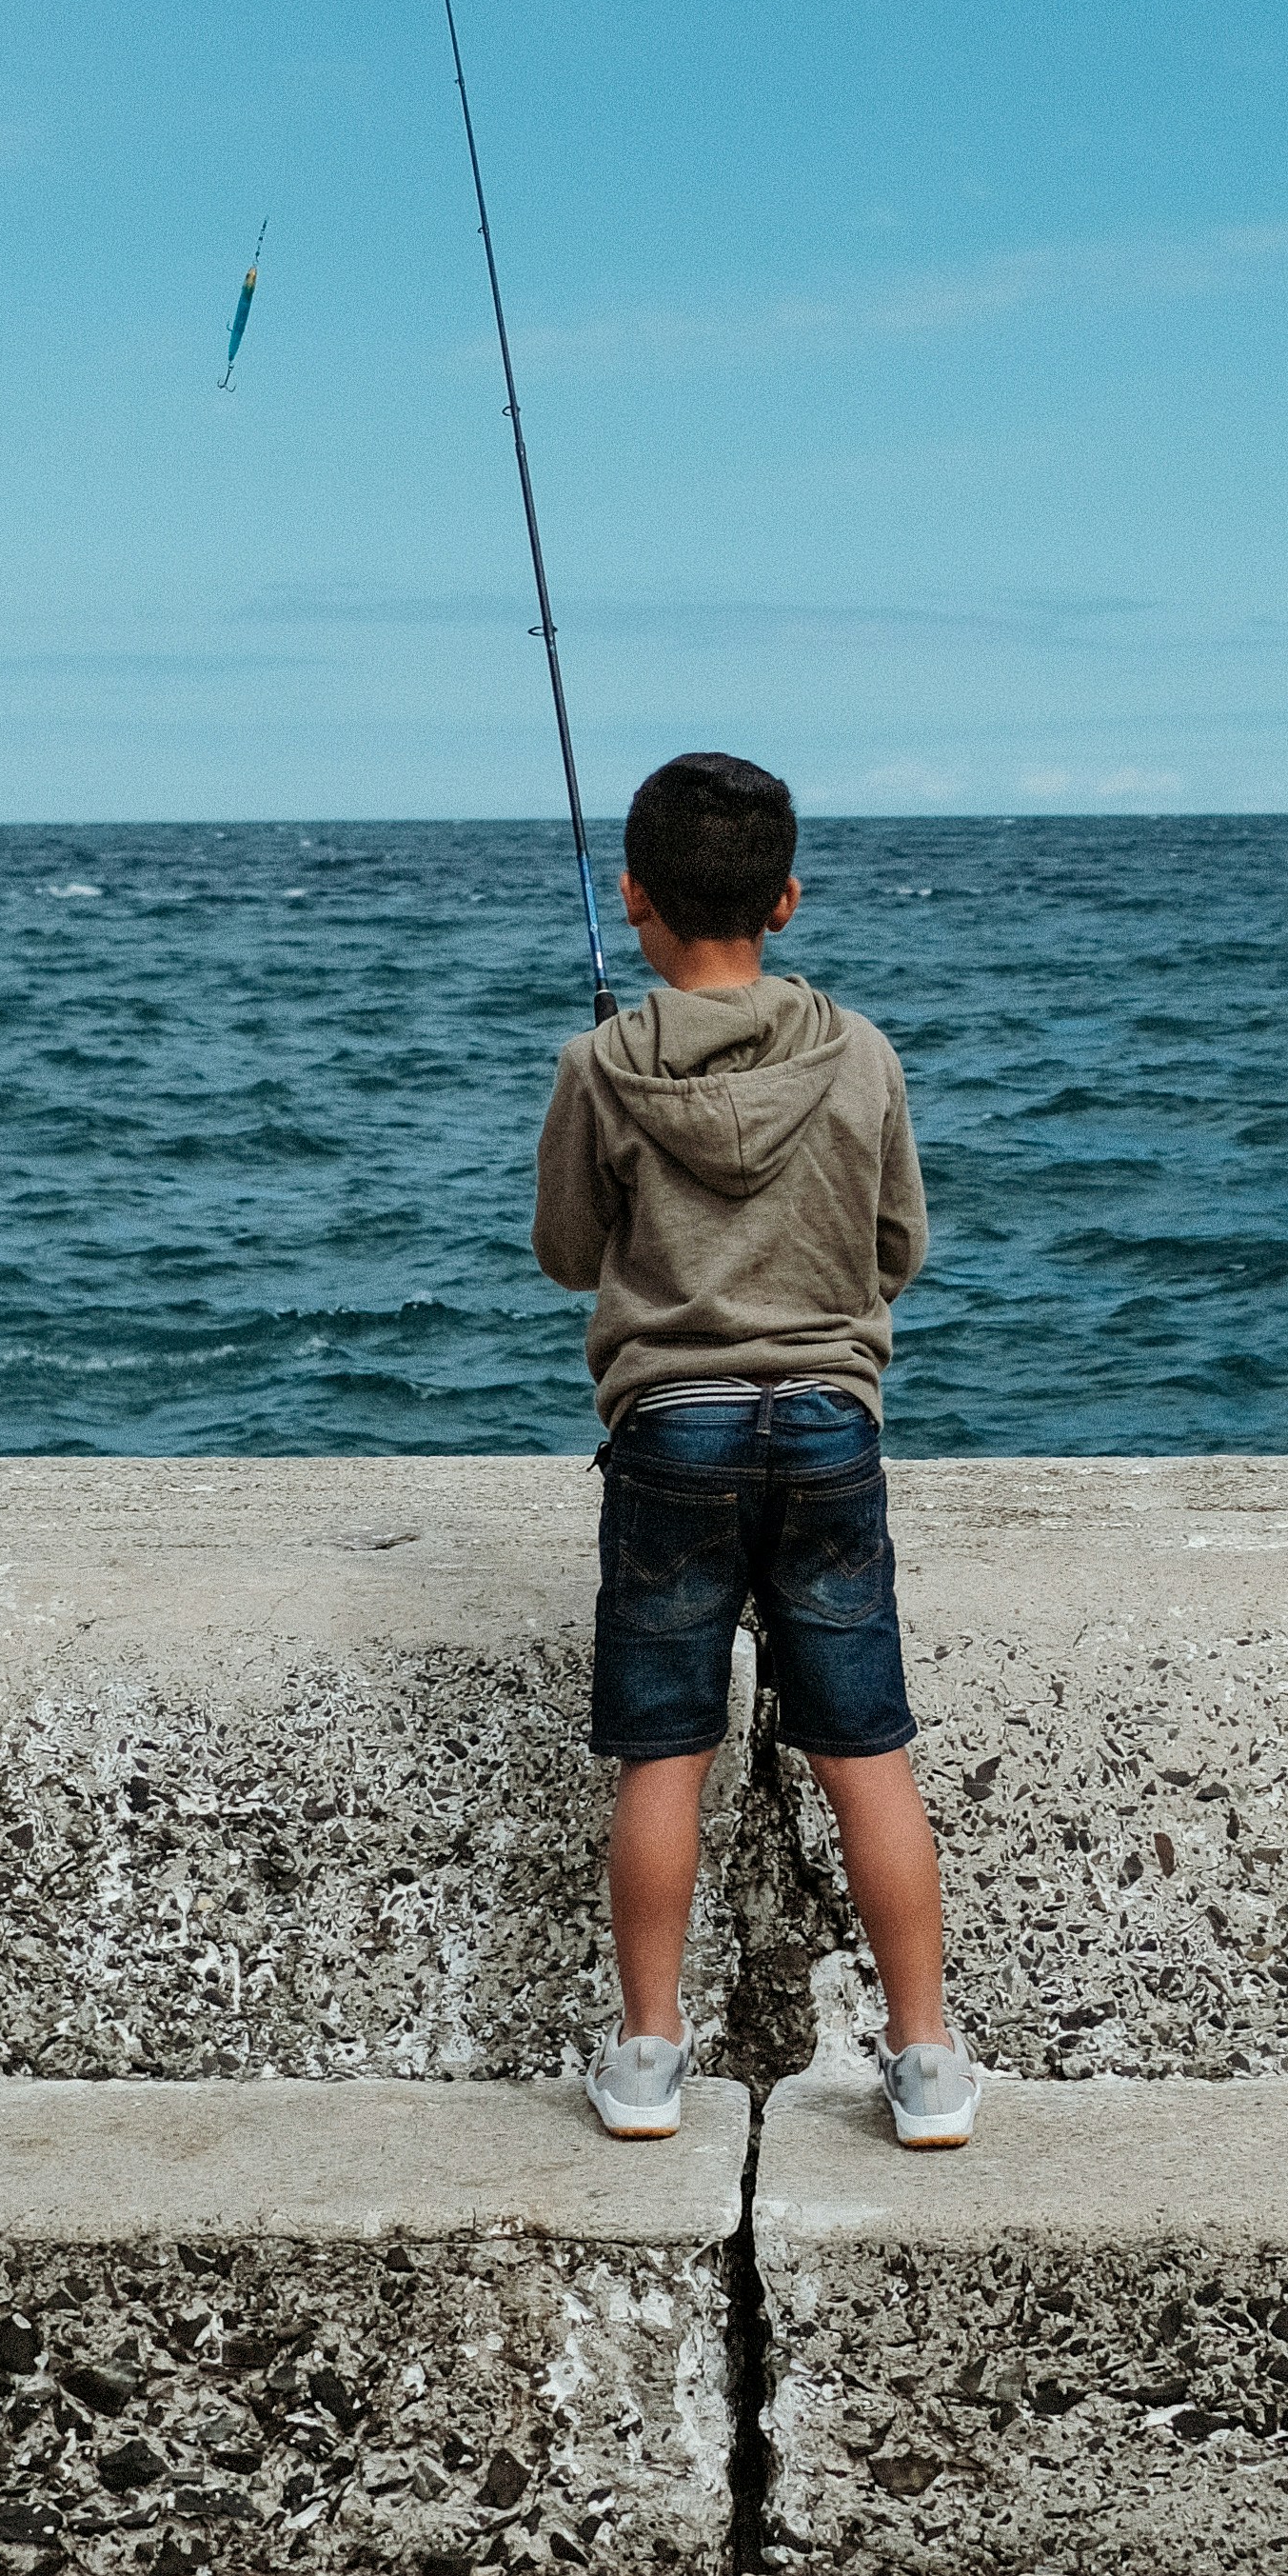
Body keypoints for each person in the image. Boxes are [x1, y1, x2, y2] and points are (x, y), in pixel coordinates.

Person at [531, 747, 980, 2149]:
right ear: (785, 899)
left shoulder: (600, 1066)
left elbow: (564, 1256)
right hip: (831, 1426)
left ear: (633, 900)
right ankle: (925, 2064)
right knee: (867, 1755)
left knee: (665, 1754)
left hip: (672, 1431)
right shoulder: (861, 1053)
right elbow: (894, 1245)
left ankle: (650, 2060)